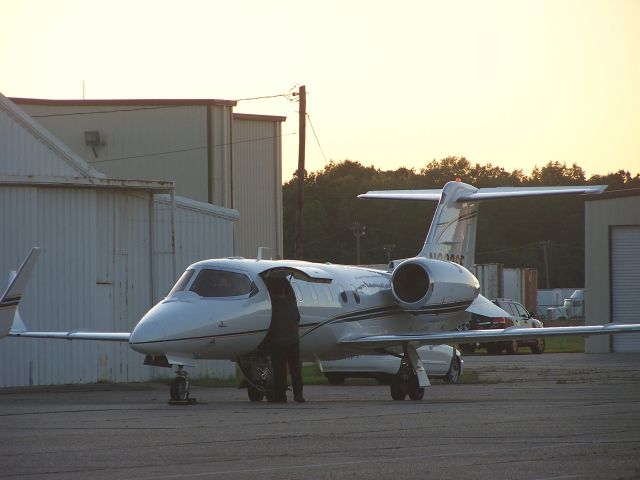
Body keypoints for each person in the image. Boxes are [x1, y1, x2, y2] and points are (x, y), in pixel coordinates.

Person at [264, 278, 305, 403]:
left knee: (279, 370)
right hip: (293, 341)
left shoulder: (271, 308)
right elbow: (298, 319)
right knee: (295, 369)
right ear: (283, 291)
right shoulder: (292, 305)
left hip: (277, 342)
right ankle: (298, 395)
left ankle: (281, 396)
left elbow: (267, 325)